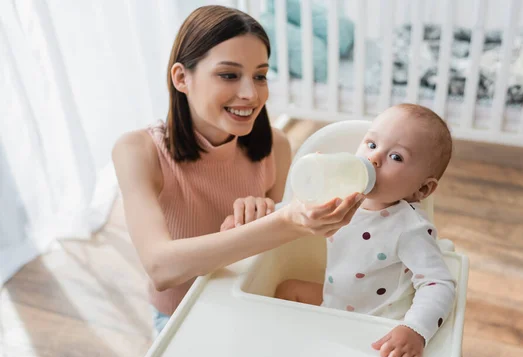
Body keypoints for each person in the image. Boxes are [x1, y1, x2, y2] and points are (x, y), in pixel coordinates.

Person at [112, 5, 363, 336]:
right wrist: (282, 221)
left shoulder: (276, 145)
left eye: (260, 76)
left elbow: (273, 256)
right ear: (181, 77)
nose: (250, 94)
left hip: (251, 302)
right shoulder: (138, 151)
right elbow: (161, 267)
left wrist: (280, 217)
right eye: (229, 75)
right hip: (180, 320)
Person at [272, 104, 457, 357]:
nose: (374, 158)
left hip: (378, 322)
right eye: (371, 144)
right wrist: (261, 210)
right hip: (338, 301)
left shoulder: (410, 228)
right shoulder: (340, 192)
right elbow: (293, 212)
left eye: (396, 156)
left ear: (422, 189)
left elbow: (439, 283)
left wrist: (415, 329)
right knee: (287, 290)